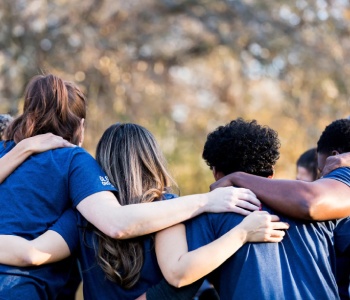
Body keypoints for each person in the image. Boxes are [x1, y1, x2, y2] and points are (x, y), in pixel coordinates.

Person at [0, 73, 265, 299]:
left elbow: (32, 252)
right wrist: (212, 207)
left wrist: (22, 148)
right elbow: (175, 271)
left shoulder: (76, 215)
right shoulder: (166, 207)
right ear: (80, 126)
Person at [155, 118, 349, 299]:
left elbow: (178, 286)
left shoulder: (207, 216)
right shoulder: (326, 211)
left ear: (216, 173)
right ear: (271, 174)